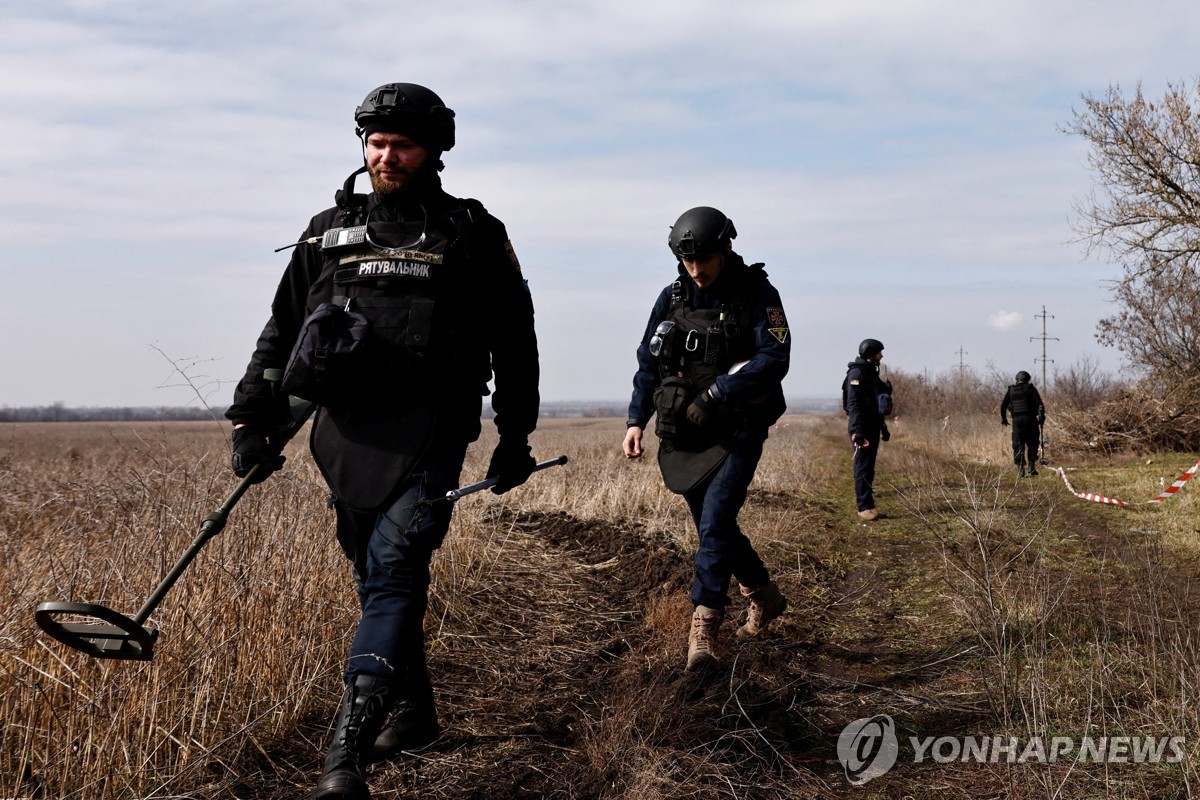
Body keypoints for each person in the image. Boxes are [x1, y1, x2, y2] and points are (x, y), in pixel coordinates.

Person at [225, 82, 540, 800]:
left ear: (433, 150)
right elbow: (282, 331)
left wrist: (514, 435)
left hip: (432, 432)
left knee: (396, 571)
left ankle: (347, 750)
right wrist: (252, 419)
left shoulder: (472, 232)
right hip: (343, 438)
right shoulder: (327, 230)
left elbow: (514, 341)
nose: (383, 155)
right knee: (374, 579)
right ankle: (416, 713)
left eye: (399, 144)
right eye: (373, 142)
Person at [622, 206, 790, 672]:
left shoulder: (758, 293)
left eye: (705, 260)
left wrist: (718, 392)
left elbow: (775, 356)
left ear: (727, 248)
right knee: (713, 527)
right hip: (684, 430)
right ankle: (764, 595)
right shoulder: (672, 295)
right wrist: (636, 419)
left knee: (715, 521)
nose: (697, 270)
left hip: (737, 425)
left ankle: (705, 625)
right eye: (687, 261)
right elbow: (648, 361)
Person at [845, 338, 890, 521]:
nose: (881, 355)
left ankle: (869, 506)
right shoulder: (857, 373)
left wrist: (883, 426)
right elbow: (854, 404)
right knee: (863, 467)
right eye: (879, 352)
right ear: (871, 353)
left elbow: (875, 404)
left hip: (872, 426)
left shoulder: (870, 373)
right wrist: (857, 430)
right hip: (862, 428)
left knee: (869, 468)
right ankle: (864, 508)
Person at [1001, 370, 1045, 477]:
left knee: (1018, 444)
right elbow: (1040, 405)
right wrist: (1041, 418)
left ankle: (1020, 469)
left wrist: (1004, 419)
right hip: (1031, 420)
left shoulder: (1011, 390)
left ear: (1017, 380)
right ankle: (1031, 466)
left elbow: (1003, 406)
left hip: (1017, 421)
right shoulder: (1031, 389)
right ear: (1027, 380)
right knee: (1033, 443)